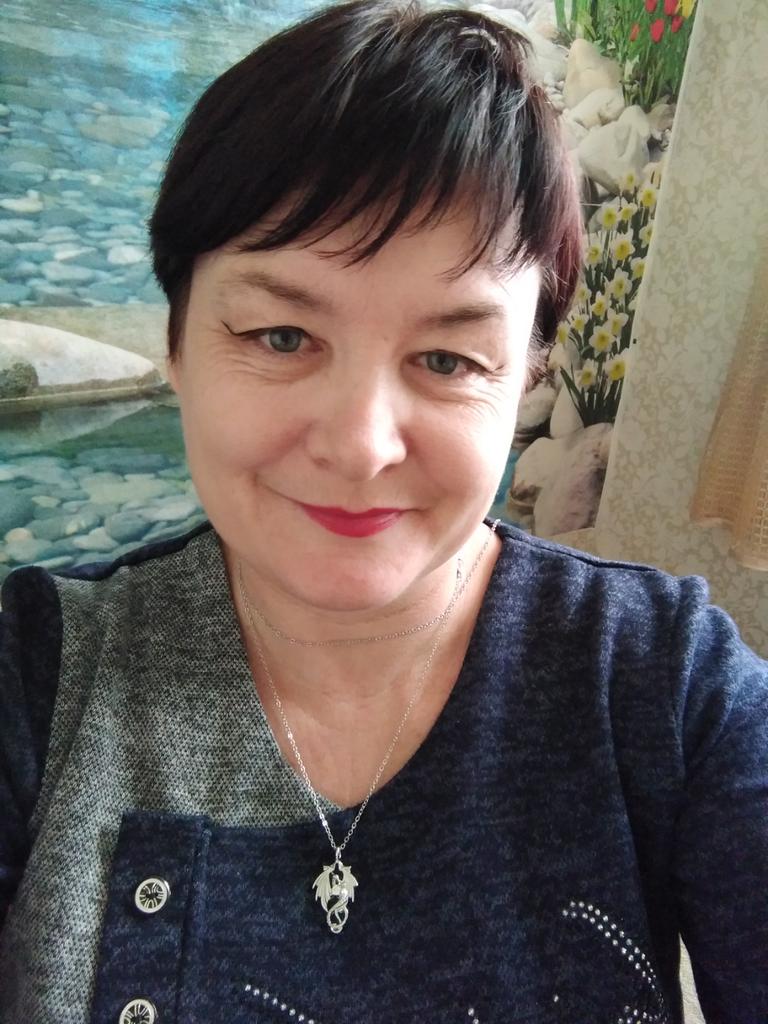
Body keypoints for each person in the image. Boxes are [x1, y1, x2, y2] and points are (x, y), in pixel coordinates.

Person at [0, 0, 766, 1020]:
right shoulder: (35, 678)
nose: (362, 445)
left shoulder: (664, 682)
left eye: (447, 359)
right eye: (281, 337)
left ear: (525, 377)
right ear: (176, 344)